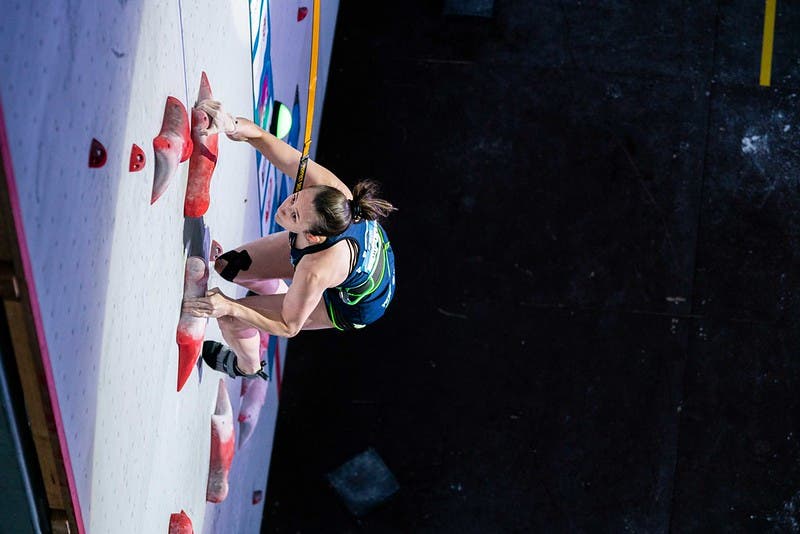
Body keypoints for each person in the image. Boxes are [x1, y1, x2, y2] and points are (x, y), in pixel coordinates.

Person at [181, 100, 397, 380]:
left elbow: (288, 326)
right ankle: (281, 292)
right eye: (295, 198)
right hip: (345, 252)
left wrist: (229, 305)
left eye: (293, 216)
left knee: (232, 319)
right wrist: (230, 124)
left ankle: (248, 367)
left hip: (357, 303)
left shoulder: (315, 269)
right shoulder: (330, 192)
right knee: (228, 266)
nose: (285, 207)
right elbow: (261, 137)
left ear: (312, 235)